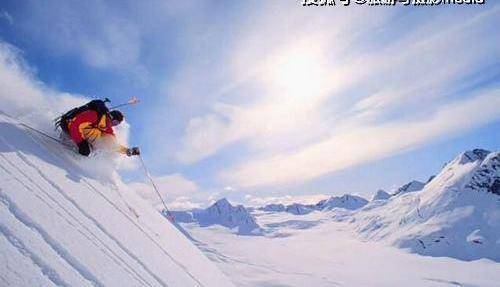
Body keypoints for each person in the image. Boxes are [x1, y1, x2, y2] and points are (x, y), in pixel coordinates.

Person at [56, 99, 140, 157]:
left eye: (116, 124)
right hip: (68, 127)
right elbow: (75, 124)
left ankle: (85, 148)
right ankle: (68, 139)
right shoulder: (94, 115)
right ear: (110, 117)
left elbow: (112, 144)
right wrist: (81, 143)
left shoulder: (107, 128)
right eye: (115, 122)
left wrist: (127, 151)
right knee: (97, 133)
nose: (113, 125)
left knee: (107, 139)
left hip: (79, 135)